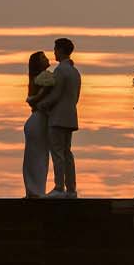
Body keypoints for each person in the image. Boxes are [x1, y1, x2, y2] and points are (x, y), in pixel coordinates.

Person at [34, 37, 83, 197]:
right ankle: (71, 189)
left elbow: (56, 94)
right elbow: (75, 97)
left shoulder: (61, 71)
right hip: (70, 116)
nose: (54, 52)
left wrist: (41, 104)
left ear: (61, 50)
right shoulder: (75, 72)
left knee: (57, 153)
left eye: (55, 49)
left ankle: (59, 187)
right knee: (67, 153)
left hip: (57, 118)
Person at [22, 51, 56, 197]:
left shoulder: (39, 77)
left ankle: (33, 190)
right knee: (39, 157)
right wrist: (34, 99)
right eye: (43, 57)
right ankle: (36, 191)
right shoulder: (45, 77)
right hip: (39, 120)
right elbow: (40, 96)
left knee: (34, 158)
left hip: (36, 120)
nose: (47, 58)